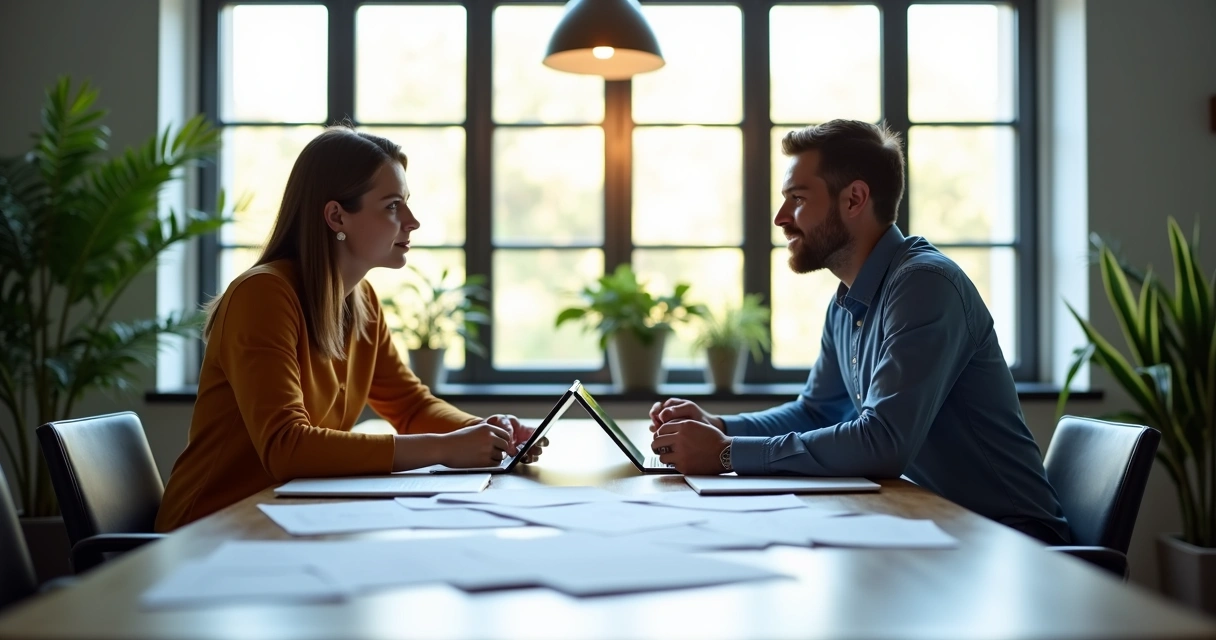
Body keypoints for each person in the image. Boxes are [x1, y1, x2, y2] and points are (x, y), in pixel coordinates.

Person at [648, 119, 1070, 545]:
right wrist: (719, 425)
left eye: (797, 198)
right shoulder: (847, 302)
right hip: (932, 525)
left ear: (854, 198)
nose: (780, 218)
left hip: (1013, 541)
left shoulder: (925, 284)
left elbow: (883, 442)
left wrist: (725, 454)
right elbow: (816, 412)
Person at [156, 127, 544, 532]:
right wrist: (444, 448)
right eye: (393, 206)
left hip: (287, 520)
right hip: (207, 532)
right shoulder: (263, 295)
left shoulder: (361, 302)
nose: (412, 222)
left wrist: (483, 433)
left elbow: (410, 407)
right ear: (337, 216)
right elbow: (286, 448)